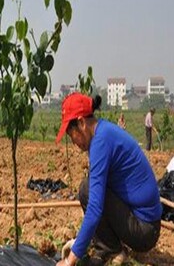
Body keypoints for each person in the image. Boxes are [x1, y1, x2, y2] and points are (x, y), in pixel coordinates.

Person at [54, 93, 162, 266]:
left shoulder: (101, 142)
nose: (73, 141)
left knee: (87, 190)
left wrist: (70, 260)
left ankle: (112, 249)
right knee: (88, 188)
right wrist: (82, 242)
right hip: (143, 223)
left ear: (81, 123)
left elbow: (95, 207)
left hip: (145, 230)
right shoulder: (103, 132)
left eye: (70, 133)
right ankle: (108, 246)